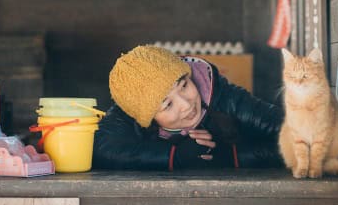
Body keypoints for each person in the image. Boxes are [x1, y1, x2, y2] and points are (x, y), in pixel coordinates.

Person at [93, 45, 284, 170]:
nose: (186, 105)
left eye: (184, 85)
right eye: (167, 104)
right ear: (147, 118)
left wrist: (232, 157)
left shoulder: (219, 93)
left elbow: (297, 133)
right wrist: (174, 156)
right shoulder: (133, 107)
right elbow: (100, 150)